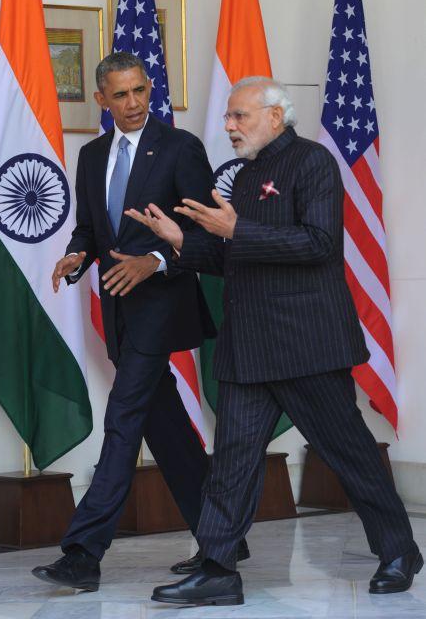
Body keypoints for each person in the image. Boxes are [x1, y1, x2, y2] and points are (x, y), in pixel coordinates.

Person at [126, 76, 422, 605]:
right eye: (229, 117)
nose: (229, 126)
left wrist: (236, 231)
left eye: (239, 116)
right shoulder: (246, 177)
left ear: (274, 117)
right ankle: (218, 566)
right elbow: (235, 258)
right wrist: (182, 244)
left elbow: (320, 244)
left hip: (306, 345)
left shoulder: (312, 163)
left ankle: (399, 551)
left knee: (349, 454)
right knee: (233, 460)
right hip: (248, 348)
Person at [31, 52, 249, 592]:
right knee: (165, 425)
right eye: (121, 95)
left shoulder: (180, 148)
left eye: (141, 91)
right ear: (101, 100)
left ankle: (83, 552)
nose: (133, 104)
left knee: (123, 418)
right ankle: (222, 536)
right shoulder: (91, 155)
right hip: (118, 309)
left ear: (150, 89)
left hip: (163, 304)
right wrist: (77, 254)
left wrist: (153, 261)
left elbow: (205, 236)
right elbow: (90, 228)